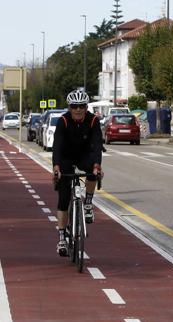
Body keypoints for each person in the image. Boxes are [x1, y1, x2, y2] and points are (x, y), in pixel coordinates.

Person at [52, 89, 103, 256]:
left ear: (86, 107)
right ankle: (61, 238)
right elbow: (57, 146)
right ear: (70, 107)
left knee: (93, 171)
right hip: (66, 157)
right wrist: (56, 167)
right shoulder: (63, 121)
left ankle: (87, 203)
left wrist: (97, 165)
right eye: (75, 106)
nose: (78, 110)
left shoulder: (93, 120)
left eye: (82, 106)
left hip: (84, 155)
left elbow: (96, 145)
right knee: (64, 197)